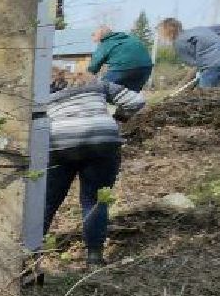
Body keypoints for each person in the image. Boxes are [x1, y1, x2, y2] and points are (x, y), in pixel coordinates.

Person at [42, 67, 144, 266]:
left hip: (61, 143)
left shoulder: (43, 91)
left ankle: (29, 255)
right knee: (95, 200)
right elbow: (136, 101)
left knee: (47, 201)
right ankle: (94, 257)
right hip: (103, 141)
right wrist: (118, 118)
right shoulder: (97, 84)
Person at [159, 17, 220, 88]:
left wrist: (182, 85)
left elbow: (194, 65)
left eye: (162, 32)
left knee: (204, 95)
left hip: (213, 65)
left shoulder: (178, 43)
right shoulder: (200, 29)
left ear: (169, 31)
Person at [88, 24, 154, 91]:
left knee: (102, 88)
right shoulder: (129, 38)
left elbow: (94, 64)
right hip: (146, 68)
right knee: (131, 92)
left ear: (100, 36)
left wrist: (90, 73)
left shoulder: (106, 43)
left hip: (124, 68)